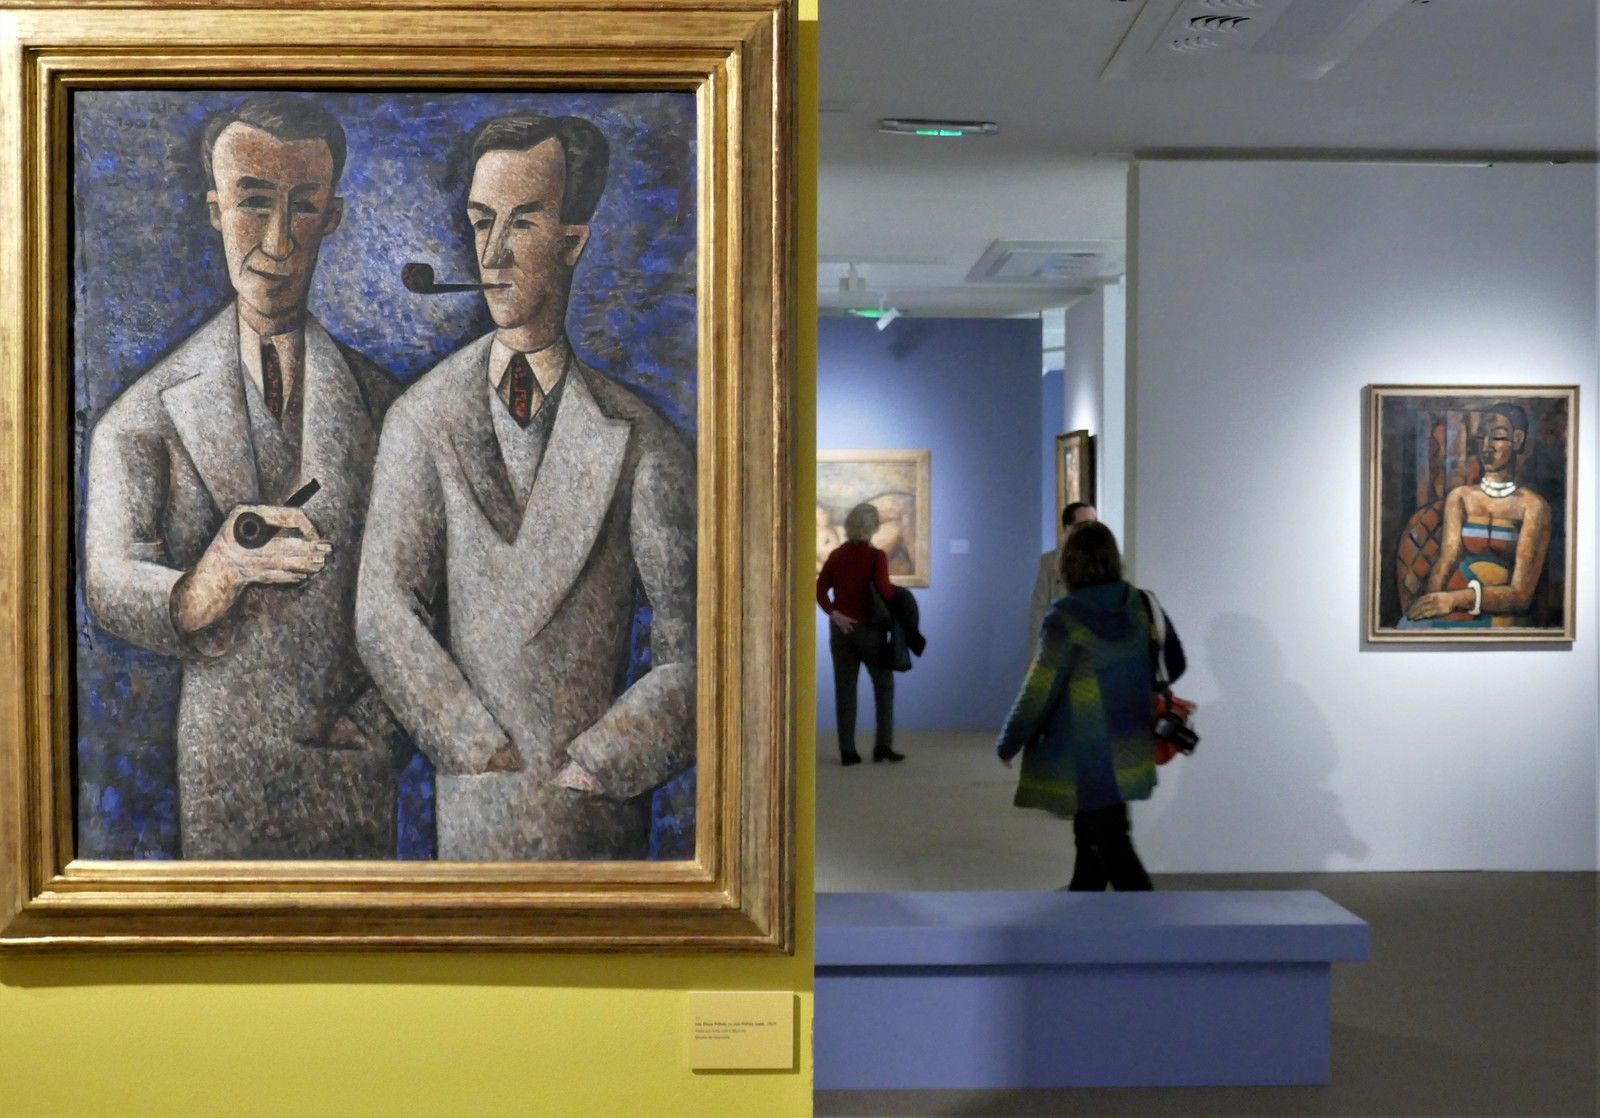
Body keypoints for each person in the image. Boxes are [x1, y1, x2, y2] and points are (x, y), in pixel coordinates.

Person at [356, 112, 696, 861]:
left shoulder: (643, 443)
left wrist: (604, 762)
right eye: (483, 222)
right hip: (473, 812)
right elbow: (384, 611)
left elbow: (695, 650)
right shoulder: (422, 418)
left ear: (572, 242)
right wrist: (472, 744)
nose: (494, 253)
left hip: (594, 821)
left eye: (523, 223)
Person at [84, 93, 405, 859]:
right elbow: (107, 580)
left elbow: (436, 591)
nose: (277, 241)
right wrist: (206, 583)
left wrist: (382, 726)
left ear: (332, 218)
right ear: (216, 210)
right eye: (254, 202)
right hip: (224, 768)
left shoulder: (391, 409)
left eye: (304, 207)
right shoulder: (143, 415)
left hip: (355, 774)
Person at [996, 521, 1185, 891]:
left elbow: (1039, 688)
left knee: (1111, 843)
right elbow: (1174, 664)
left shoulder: (1066, 615)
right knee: (1094, 837)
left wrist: (1009, 741)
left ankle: (1151, 923)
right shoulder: (1142, 604)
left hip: (1087, 751)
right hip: (1131, 740)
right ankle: (1083, 907)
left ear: (1069, 563)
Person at [1404, 404, 1552, 629]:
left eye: (1498, 437)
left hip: (1500, 614)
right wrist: (1433, 603)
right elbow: (1447, 560)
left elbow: (1521, 595)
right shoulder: (1460, 497)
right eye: (1481, 437)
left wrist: (1455, 599)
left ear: (1518, 440)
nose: (1486, 446)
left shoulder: (1533, 507)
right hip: (1453, 607)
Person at [816, 502, 903, 765]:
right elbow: (885, 591)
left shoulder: (836, 555)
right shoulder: (876, 557)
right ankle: (883, 746)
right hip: (870, 631)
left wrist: (834, 613)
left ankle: (848, 752)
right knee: (884, 685)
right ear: (872, 527)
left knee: (845, 690)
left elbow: (820, 590)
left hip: (841, 631)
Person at [1029, 501, 1096, 639]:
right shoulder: (1049, 562)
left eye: (1095, 523)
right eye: (1085, 524)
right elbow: (1038, 611)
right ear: (1068, 528)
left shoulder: (1108, 560)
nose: (1092, 529)